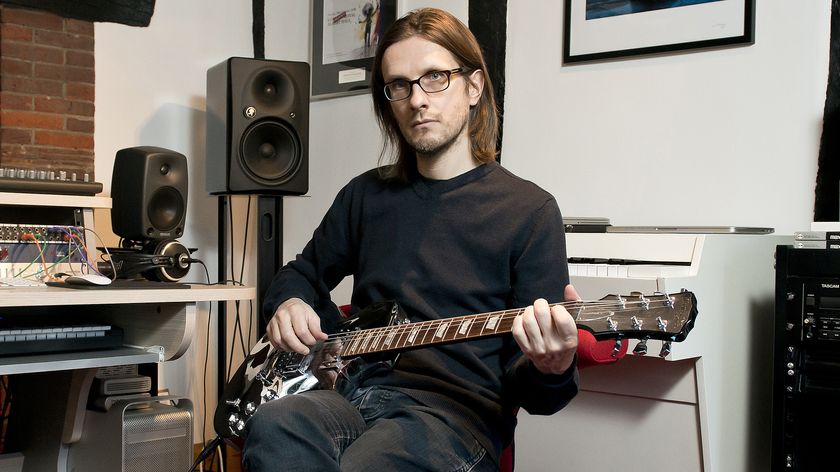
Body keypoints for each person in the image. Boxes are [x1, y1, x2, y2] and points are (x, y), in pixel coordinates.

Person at [243, 7, 579, 471]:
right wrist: (290, 302)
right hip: (353, 394)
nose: (417, 99)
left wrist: (553, 367)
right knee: (278, 424)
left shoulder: (530, 212)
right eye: (399, 85)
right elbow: (300, 273)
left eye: (435, 77)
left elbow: (539, 396)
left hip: (454, 418)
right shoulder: (366, 195)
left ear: (474, 86)